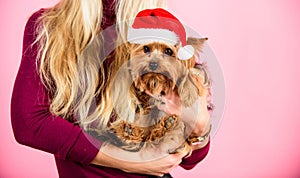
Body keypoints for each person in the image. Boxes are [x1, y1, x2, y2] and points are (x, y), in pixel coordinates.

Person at [11, 0, 211, 177]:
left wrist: (200, 127)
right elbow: (28, 125)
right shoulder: (49, 26)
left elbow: (191, 160)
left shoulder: (162, 29)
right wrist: (132, 161)